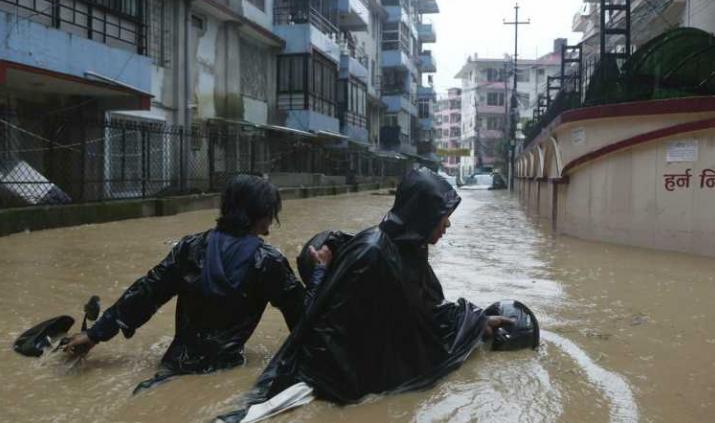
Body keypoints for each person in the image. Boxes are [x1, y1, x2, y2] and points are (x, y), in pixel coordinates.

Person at [217, 168, 513, 422]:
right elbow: (326, 326)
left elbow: (428, 310)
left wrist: (476, 322)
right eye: (443, 217)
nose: (447, 224)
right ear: (422, 215)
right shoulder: (371, 254)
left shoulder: (412, 250)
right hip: (332, 374)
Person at [63, 175, 331, 393]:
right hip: (225, 374)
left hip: (171, 367)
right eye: (271, 214)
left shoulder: (190, 248)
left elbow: (146, 292)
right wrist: (320, 271)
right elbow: (304, 321)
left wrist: (95, 334)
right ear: (262, 216)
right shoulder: (268, 261)